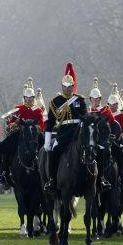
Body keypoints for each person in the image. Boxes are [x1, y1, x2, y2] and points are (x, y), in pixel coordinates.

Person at [43, 62, 88, 194]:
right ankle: (51, 180)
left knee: (92, 150)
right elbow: (50, 122)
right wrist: (47, 141)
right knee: (54, 150)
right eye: (65, 86)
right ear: (62, 86)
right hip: (63, 133)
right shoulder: (55, 102)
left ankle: (96, 178)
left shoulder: (80, 100)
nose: (68, 89)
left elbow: (85, 117)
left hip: (77, 132)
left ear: (73, 86)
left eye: (70, 87)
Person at [0, 79, 45, 186]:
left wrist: (31, 127)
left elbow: (41, 125)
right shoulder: (18, 109)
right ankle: (4, 172)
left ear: (34, 98)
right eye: (27, 98)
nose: (29, 100)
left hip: (34, 134)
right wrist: (12, 124)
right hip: (20, 134)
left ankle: (48, 172)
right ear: (24, 98)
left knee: (46, 147)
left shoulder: (38, 110)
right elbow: (11, 123)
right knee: (2, 147)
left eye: (31, 97)